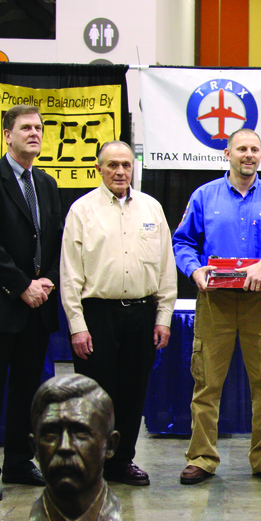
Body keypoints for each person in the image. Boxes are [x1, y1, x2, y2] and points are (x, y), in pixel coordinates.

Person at [172, 128, 261, 484]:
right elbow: (182, 241)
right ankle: (201, 457)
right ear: (227, 153)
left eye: (255, 149)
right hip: (215, 302)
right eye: (241, 148)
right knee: (207, 383)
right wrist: (193, 269)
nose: (248, 154)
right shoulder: (204, 196)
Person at [59, 141, 177, 487]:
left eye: (126, 165)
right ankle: (91, 466)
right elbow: (69, 275)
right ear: (99, 168)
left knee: (131, 393)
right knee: (95, 396)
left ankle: (122, 462)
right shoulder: (82, 211)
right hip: (97, 315)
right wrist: (77, 326)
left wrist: (163, 317)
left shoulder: (151, 209)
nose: (120, 172)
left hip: (141, 314)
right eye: (112, 165)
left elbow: (166, 268)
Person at [0, 104, 63, 502]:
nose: (34, 133)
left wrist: (47, 282)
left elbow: (55, 240)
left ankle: (19, 462)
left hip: (36, 307)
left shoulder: (47, 184)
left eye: (39, 127)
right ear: (7, 135)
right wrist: (22, 285)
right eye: (26, 128)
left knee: (27, 390)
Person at [25, 374, 123, 521]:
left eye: (80, 433)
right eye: (50, 434)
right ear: (34, 447)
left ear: (110, 445)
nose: (65, 447)